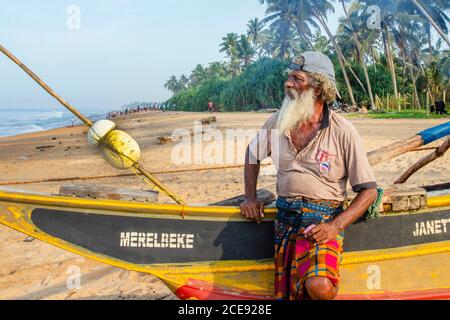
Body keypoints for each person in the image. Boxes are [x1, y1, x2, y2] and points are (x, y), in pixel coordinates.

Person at [240, 51, 378, 300]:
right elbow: (252, 154)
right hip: (285, 220)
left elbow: (368, 191)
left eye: (297, 79)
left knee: (319, 287)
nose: (288, 83)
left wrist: (335, 226)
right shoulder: (277, 121)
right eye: (289, 77)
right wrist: (250, 197)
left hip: (322, 222)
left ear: (319, 87)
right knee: (293, 292)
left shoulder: (343, 131)